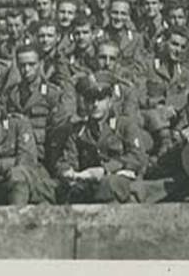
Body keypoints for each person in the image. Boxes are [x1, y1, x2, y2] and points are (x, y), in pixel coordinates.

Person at [58, 75, 149, 204]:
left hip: (123, 184)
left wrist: (106, 169)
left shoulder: (124, 125)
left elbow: (137, 157)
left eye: (100, 99)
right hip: (89, 186)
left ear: (110, 101)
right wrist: (67, 171)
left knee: (108, 185)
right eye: (90, 100)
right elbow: (68, 158)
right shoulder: (78, 131)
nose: (95, 104)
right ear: (84, 102)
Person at [2, 42, 76, 173]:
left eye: (32, 64)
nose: (26, 70)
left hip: (42, 159)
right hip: (15, 156)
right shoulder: (12, 94)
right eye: (22, 65)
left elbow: (61, 133)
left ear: (40, 63)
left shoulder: (51, 94)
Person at [139, 26, 189, 157]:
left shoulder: (186, 73)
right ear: (164, 43)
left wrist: (173, 109)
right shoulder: (148, 66)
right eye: (174, 44)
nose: (178, 50)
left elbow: (186, 99)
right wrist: (158, 105)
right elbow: (139, 96)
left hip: (173, 119)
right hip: (150, 118)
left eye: (182, 47)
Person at [104, 0, 148, 76]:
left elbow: (140, 67)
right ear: (108, 13)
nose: (118, 17)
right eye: (115, 13)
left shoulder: (135, 39)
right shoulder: (100, 36)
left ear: (128, 16)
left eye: (123, 14)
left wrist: (122, 71)